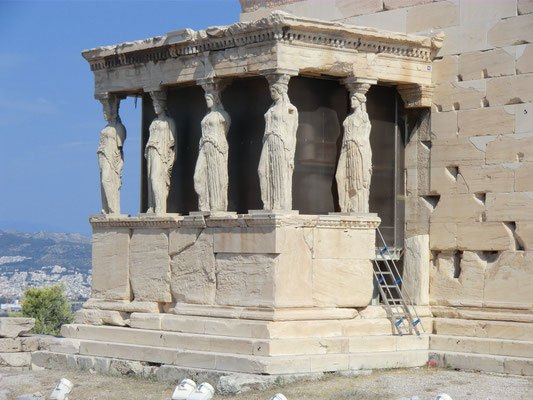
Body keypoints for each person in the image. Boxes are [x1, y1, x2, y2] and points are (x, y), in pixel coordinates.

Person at [258, 75, 298, 210]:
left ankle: (280, 204)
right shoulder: (271, 108)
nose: (272, 94)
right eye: (271, 91)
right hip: (268, 141)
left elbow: (292, 131)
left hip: (281, 142)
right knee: (262, 170)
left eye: (273, 91)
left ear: (280, 91)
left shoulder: (290, 109)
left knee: (280, 172)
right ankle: (268, 202)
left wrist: (290, 154)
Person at [194, 86, 231, 212]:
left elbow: (225, 132)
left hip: (216, 147)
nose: (207, 101)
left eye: (209, 99)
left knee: (215, 176)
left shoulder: (223, 115)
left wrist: (219, 146)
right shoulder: (206, 116)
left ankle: (216, 206)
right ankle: (204, 205)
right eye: (206, 99)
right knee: (198, 177)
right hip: (204, 147)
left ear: (215, 99)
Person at [335, 90, 372, 213]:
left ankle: (356, 207)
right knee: (340, 176)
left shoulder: (363, 117)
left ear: (360, 102)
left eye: (354, 99)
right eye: (351, 99)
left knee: (356, 180)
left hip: (357, 149)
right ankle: (345, 206)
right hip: (346, 149)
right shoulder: (348, 118)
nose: (352, 101)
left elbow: (365, 136)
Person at [145, 92, 176, 214]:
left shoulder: (169, 122)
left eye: (157, 104)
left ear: (163, 105)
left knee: (156, 178)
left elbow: (174, 143)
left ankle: (160, 207)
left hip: (162, 154)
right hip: (151, 152)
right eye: (154, 104)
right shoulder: (153, 122)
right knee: (150, 179)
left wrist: (171, 160)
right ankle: (152, 206)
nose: (155, 107)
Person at [97, 97, 126, 214]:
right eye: (103, 110)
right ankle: (106, 209)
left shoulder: (119, 127)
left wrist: (118, 163)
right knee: (103, 182)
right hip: (103, 157)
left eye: (106, 110)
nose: (104, 113)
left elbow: (120, 148)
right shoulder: (105, 128)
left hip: (111, 158)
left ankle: (113, 209)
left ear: (112, 111)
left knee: (106, 180)